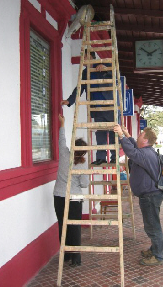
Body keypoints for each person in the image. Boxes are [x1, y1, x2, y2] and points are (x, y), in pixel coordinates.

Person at [114, 124, 163, 266]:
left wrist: (122, 137)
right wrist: (127, 135)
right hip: (150, 195)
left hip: (150, 196)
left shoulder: (145, 154)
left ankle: (158, 255)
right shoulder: (147, 151)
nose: (139, 135)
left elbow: (132, 152)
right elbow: (135, 147)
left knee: (153, 226)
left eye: (141, 134)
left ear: (146, 140)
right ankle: (155, 249)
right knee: (152, 224)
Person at [61, 50, 115, 165]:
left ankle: (114, 157)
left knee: (113, 132)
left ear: (92, 57)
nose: (84, 61)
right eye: (83, 59)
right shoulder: (85, 73)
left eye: (86, 58)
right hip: (97, 108)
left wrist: (104, 66)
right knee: (100, 134)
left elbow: (115, 72)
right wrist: (69, 100)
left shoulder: (104, 65)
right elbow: (79, 88)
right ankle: (101, 158)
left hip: (110, 106)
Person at [53, 114, 89, 267]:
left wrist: (62, 123)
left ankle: (66, 254)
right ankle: (76, 257)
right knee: (74, 226)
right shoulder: (81, 165)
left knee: (63, 224)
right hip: (74, 198)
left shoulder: (63, 154)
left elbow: (61, 140)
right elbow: (85, 184)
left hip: (59, 196)